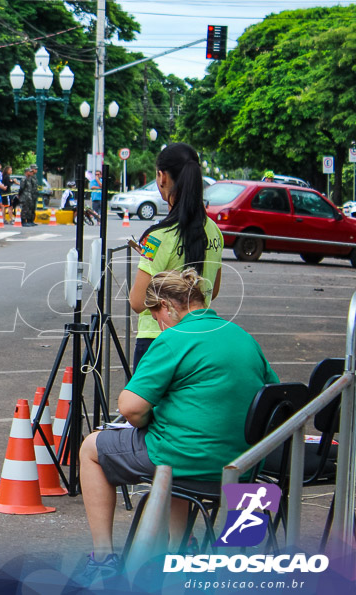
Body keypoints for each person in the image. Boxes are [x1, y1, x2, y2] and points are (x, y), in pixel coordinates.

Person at [77, 268, 279, 585]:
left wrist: (145, 421)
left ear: (169, 308)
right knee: (178, 442)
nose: (158, 324)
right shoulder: (242, 336)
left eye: (156, 315)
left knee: (91, 448)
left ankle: (103, 557)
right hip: (244, 468)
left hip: (185, 461)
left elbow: (130, 407)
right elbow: (273, 397)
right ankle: (178, 547)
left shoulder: (175, 338)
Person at [128, 143, 223, 366]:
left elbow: (138, 301)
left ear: (162, 177)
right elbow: (213, 289)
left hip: (158, 341)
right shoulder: (214, 231)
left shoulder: (157, 237)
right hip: (198, 340)